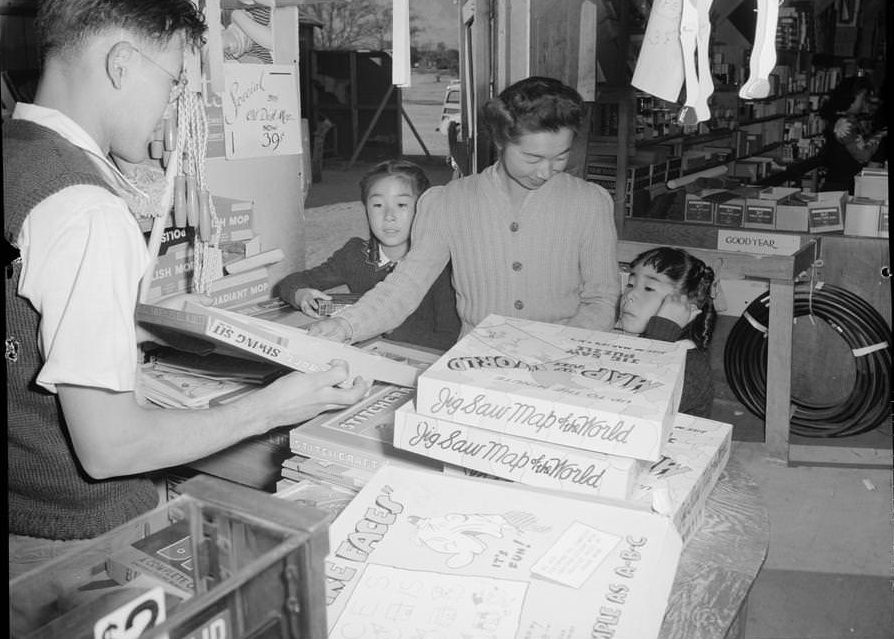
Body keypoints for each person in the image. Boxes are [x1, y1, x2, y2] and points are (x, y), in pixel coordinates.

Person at [4, 0, 369, 579]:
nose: (173, 105)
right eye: (174, 81)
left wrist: (144, 318)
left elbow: (22, 326)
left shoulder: (16, 152)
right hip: (75, 541)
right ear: (122, 64)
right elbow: (112, 449)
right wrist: (276, 406)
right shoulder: (85, 209)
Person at [310, 76, 620, 344]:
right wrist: (346, 325)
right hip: (475, 362)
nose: (545, 171)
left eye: (560, 157)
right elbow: (406, 286)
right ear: (500, 140)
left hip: (563, 359)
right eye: (532, 158)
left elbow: (601, 299)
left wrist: (561, 347)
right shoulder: (448, 202)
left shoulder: (590, 203)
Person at [275, 160, 461, 351]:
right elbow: (292, 282)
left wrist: (377, 328)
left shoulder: (439, 266)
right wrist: (301, 295)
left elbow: (450, 339)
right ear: (365, 209)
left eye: (402, 205)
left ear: (423, 209)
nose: (389, 215)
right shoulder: (355, 254)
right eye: (378, 205)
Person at [616, 247, 717, 418]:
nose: (630, 295)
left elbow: (634, 408)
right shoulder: (636, 343)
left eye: (648, 288)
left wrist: (663, 330)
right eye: (630, 284)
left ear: (685, 307)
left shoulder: (692, 369)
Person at [819, 75, 887, 193]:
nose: (865, 103)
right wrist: (880, 139)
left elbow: (859, 144)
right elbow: (863, 155)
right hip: (841, 187)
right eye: (863, 98)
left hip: (839, 184)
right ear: (852, 98)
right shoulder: (844, 124)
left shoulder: (841, 119)